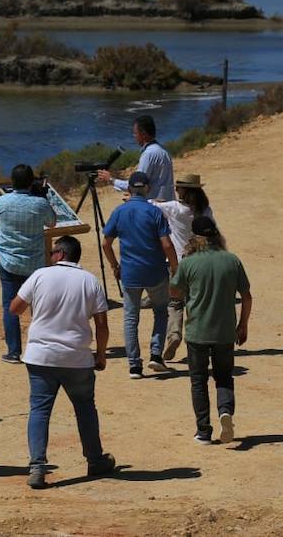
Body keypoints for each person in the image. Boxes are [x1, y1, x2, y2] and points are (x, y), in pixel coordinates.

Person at [8, 234, 118, 488]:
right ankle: (94, 459)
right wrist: (100, 354)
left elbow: (15, 308)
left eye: (53, 252)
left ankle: (37, 466)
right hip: (77, 358)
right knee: (85, 409)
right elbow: (102, 324)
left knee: (40, 410)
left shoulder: (40, 275)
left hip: (41, 356)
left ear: (60, 253)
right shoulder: (90, 281)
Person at [170, 215, 251, 445]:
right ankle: (225, 411)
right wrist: (242, 325)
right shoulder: (231, 260)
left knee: (198, 380)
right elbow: (247, 297)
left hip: (197, 331)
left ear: (194, 238)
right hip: (225, 331)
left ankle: (203, 430)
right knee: (224, 377)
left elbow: (174, 293)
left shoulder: (189, 262)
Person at [100, 170, 178, 378]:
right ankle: (155, 354)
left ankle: (134, 365)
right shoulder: (154, 212)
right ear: (148, 189)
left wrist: (115, 266)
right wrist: (176, 269)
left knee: (130, 317)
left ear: (130, 189)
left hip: (130, 273)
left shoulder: (119, 211)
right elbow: (167, 245)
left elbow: (106, 243)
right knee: (161, 311)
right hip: (155, 271)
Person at [0, 163, 58, 364]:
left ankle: (13, 351)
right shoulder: (40, 204)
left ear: (12, 182)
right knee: (38, 306)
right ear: (32, 182)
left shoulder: (1, 202)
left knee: (9, 306)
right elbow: (53, 222)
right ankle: (39, 349)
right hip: (34, 262)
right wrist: (43, 196)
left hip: (8, 260)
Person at [152, 173, 214, 361]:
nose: (176, 189)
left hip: (177, 262)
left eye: (179, 187)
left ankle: (174, 335)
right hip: (200, 262)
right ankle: (197, 341)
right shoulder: (205, 210)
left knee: (175, 302)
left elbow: (149, 205)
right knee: (196, 303)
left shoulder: (174, 208)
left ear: (184, 191)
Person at [99, 114, 174, 202]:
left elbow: (137, 184)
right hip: (168, 205)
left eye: (135, 133)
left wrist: (111, 179)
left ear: (143, 134)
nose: (134, 136)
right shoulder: (163, 152)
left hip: (155, 208)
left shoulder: (148, 154)